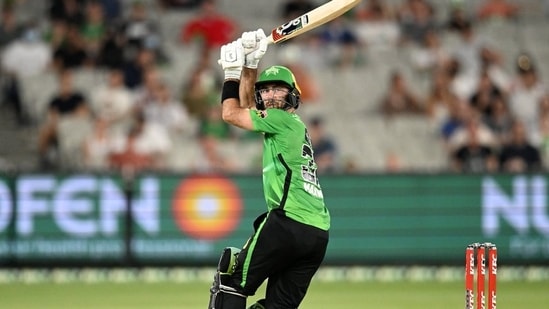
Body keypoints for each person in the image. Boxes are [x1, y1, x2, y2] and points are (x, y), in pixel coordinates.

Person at [208, 29, 330, 309]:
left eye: (279, 89)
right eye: (267, 90)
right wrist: (251, 63)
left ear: (293, 95)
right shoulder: (288, 125)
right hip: (318, 234)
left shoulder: (282, 121)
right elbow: (250, 105)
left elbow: (231, 113)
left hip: (288, 223)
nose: (272, 95)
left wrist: (230, 72)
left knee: (231, 281)